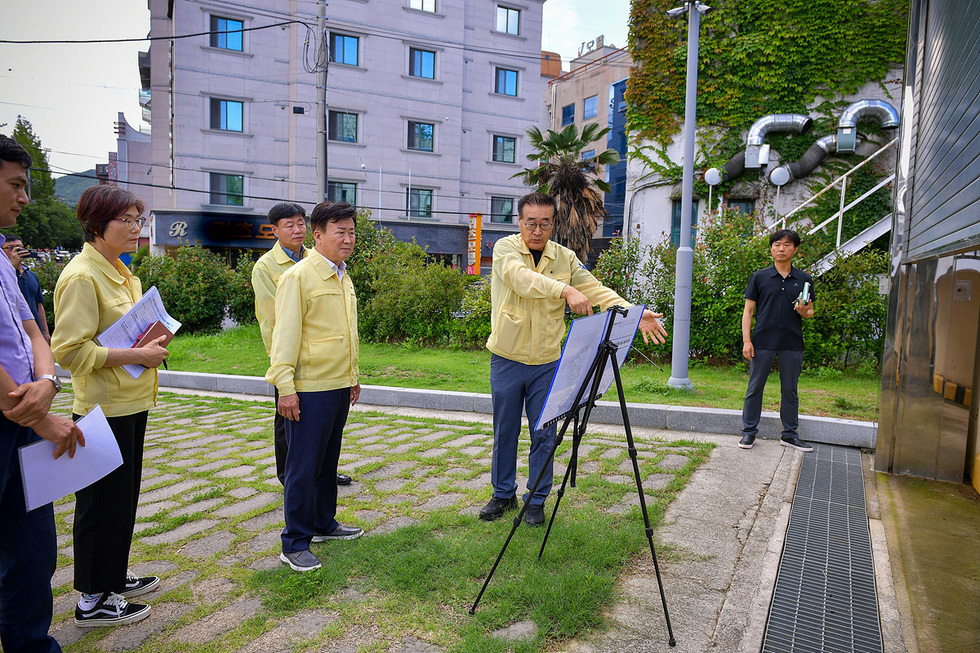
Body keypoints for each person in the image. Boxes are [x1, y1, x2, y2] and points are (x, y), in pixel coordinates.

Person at [479, 192, 668, 526]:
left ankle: (536, 500)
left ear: (554, 223)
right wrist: (565, 291)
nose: (537, 230)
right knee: (504, 431)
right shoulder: (506, 250)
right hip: (506, 358)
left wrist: (632, 313)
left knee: (544, 434)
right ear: (519, 222)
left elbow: (594, 288)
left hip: (549, 362)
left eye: (545, 223)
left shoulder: (564, 257)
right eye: (530, 223)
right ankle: (502, 494)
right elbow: (521, 280)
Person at [51, 185, 169, 627]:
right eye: (129, 221)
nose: (137, 229)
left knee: (122, 500)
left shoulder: (121, 270)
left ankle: (112, 576)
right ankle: (93, 599)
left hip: (132, 400)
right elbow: (68, 351)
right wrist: (136, 355)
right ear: (98, 223)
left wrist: (148, 344)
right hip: (103, 408)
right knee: (100, 504)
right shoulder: (82, 275)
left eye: (139, 220)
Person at [0, 133, 84, 653]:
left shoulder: (6, 261)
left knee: (34, 550)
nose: (25, 198)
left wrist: (49, 382)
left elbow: (33, 331)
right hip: (15, 414)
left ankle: (30, 643)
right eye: (16, 185)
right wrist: (34, 415)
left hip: (29, 409)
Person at [266, 201, 363, 573]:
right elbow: (284, 337)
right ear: (318, 234)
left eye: (352, 231)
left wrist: (352, 376)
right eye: (341, 231)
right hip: (308, 388)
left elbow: (345, 332)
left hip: (338, 385)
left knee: (327, 463)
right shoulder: (298, 277)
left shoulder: (342, 275)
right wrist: (285, 387)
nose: (348, 239)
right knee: (302, 467)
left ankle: (324, 523)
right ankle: (294, 541)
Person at [252, 202, 352, 488]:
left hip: (319, 360)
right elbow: (275, 319)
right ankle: (289, 476)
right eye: (289, 225)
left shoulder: (317, 258)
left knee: (320, 431)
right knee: (288, 422)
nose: (298, 230)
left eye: (301, 224)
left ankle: (321, 475)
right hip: (286, 356)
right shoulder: (266, 267)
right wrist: (281, 364)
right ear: (275, 230)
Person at [739, 229, 816, 452]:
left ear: (795, 249)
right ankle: (748, 433)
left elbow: (810, 312)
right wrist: (747, 340)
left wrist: (803, 311)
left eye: (787, 245)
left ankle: (790, 435)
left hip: (792, 343)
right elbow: (748, 311)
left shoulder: (804, 279)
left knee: (790, 390)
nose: (781, 249)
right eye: (776, 245)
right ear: (771, 248)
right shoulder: (760, 277)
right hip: (762, 341)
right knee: (755, 388)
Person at [1, 234, 50, 343]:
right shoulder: (3, 276)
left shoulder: (32, 275)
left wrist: (45, 332)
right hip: (13, 337)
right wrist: (11, 267)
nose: (16, 251)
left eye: (19, 247)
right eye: (10, 248)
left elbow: (39, 305)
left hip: (35, 334)